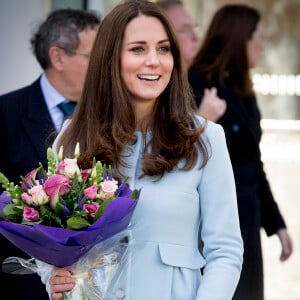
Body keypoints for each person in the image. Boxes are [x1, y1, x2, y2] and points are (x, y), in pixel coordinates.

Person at [46, 1, 243, 299]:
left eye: (164, 49)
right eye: (138, 49)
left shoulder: (206, 138)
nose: (154, 61)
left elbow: (226, 252)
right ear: (110, 57)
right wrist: (52, 279)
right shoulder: (72, 136)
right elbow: (54, 245)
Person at [188, 4, 293, 300]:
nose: (262, 46)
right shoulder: (196, 82)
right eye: (258, 37)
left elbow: (253, 164)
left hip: (246, 218)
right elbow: (175, 154)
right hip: (211, 224)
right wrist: (202, 118)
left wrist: (277, 224)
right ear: (240, 38)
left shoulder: (243, 90)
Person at [0, 8, 100, 300]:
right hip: (21, 286)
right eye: (92, 56)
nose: (102, 67)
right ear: (58, 57)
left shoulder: (110, 119)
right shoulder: (6, 114)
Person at [157, 0, 226, 122]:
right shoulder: (153, 89)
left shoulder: (197, 84)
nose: (195, 37)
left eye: (195, 28)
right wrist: (204, 119)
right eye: (186, 30)